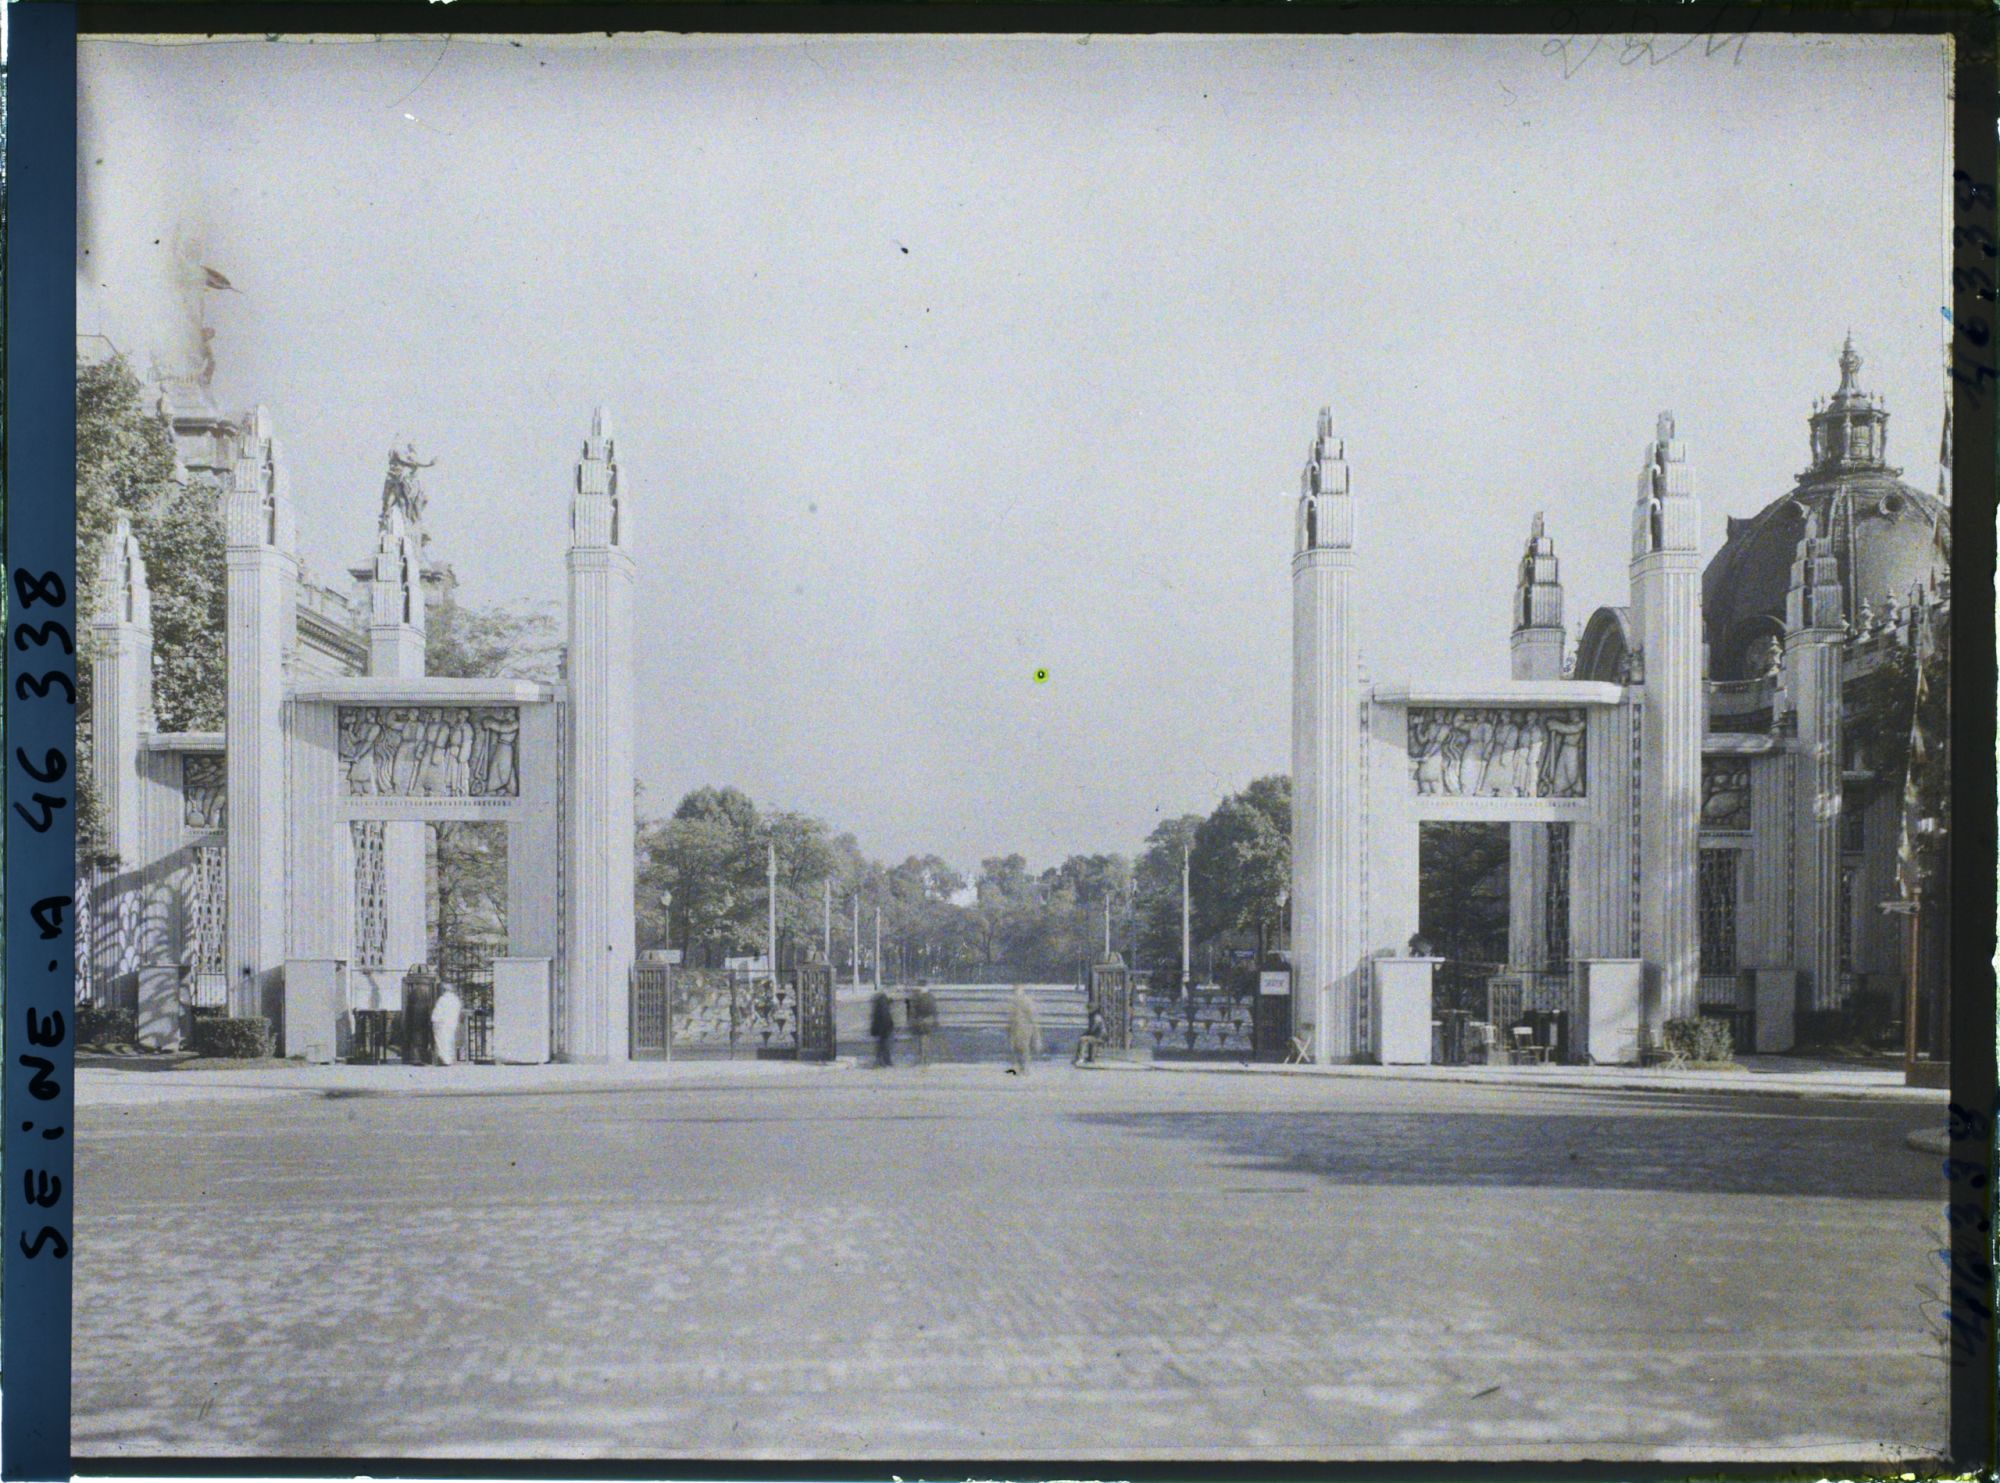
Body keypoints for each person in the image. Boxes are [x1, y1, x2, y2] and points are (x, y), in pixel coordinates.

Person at [1006, 985, 1041, 1076]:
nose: (1015, 993)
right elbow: (1011, 1017)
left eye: (1017, 990)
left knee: (1024, 1048)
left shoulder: (1026, 1001)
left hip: (1025, 1028)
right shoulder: (1015, 1002)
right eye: (1015, 991)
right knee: (1017, 1047)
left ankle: (1025, 1068)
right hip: (1017, 1027)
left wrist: (1034, 1028)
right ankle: (1020, 1067)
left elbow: (1032, 1016)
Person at [430, 982, 464, 1067]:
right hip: (452, 1023)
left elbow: (437, 1013)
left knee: (441, 1041)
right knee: (449, 1040)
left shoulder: (442, 999)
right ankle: (449, 1059)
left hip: (441, 1023)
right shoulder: (456, 1000)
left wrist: (433, 1020)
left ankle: (443, 1059)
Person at [910, 982, 938, 1068]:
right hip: (927, 1020)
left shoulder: (919, 997)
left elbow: (915, 1010)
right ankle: (926, 1060)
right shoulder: (930, 997)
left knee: (921, 1041)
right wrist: (935, 1020)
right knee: (925, 1041)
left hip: (921, 1020)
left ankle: (922, 1060)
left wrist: (915, 1018)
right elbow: (934, 1009)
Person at [870, 985, 896, 1067]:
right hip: (884, 1027)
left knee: (882, 1044)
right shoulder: (882, 1000)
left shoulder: (879, 1000)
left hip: (880, 1026)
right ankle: (884, 1061)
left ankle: (882, 1061)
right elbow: (884, 1015)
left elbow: (876, 1015)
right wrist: (889, 1025)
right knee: (885, 1044)